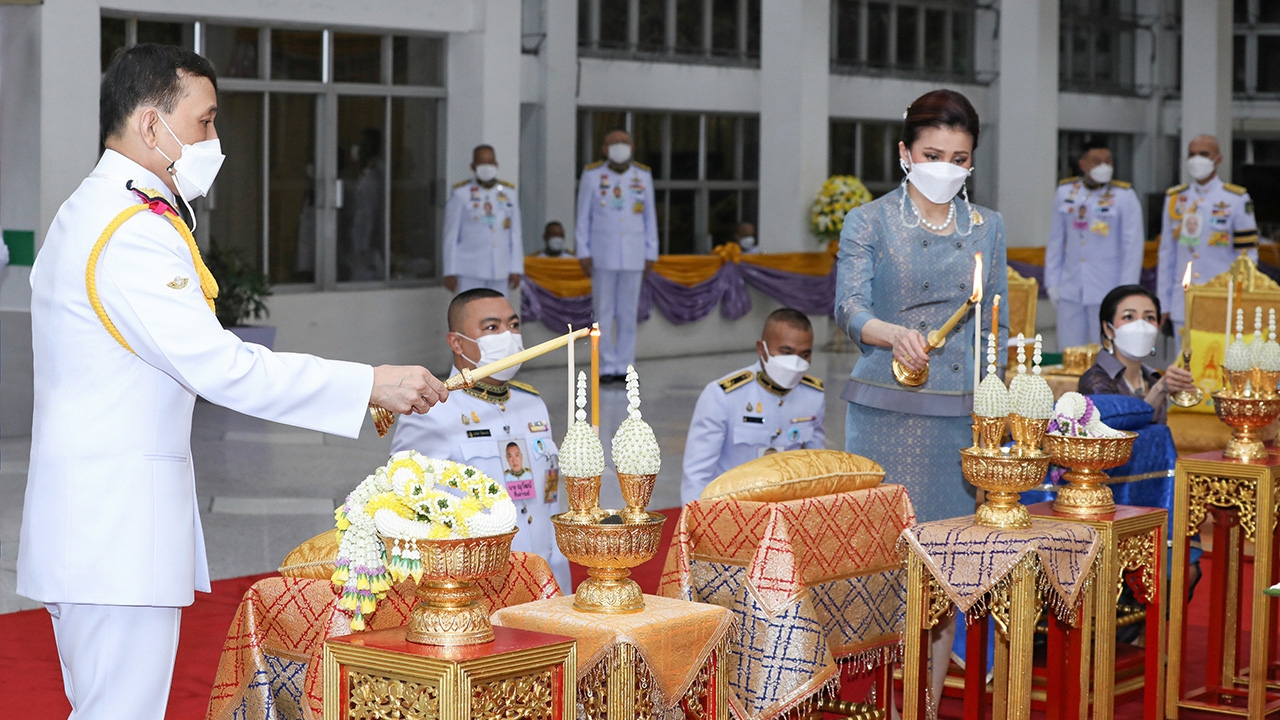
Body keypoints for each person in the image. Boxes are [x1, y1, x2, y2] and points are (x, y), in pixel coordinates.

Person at [16, 44, 448, 720]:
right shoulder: (130, 229)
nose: (215, 141)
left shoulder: (99, 207)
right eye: (205, 122)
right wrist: (371, 382)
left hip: (98, 524)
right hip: (114, 532)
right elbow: (222, 366)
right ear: (152, 125)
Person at [835, 88, 1008, 711]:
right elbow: (849, 307)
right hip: (883, 407)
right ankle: (878, 699)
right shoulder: (869, 220)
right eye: (933, 152)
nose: (947, 166)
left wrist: (1000, 405)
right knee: (884, 565)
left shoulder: (988, 226)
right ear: (905, 153)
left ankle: (926, 707)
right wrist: (890, 333)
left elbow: (998, 326)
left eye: (960, 157)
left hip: (956, 421)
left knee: (944, 572)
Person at [391, 288, 571, 591]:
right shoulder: (431, 412)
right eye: (492, 328)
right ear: (457, 343)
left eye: (513, 325)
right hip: (476, 586)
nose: (508, 336)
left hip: (545, 577)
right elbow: (412, 511)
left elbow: (548, 498)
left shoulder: (532, 403)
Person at [680, 308, 825, 504]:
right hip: (731, 508)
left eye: (804, 354)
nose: (796, 362)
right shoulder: (724, 395)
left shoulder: (813, 395)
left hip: (787, 509)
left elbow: (818, 467)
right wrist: (694, 525)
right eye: (786, 352)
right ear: (761, 348)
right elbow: (697, 474)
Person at [575, 129, 658, 383]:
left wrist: (650, 251)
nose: (619, 147)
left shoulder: (642, 176)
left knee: (627, 313)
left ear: (632, 148)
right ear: (604, 148)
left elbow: (649, 217)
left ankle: (625, 365)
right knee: (603, 312)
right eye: (613, 143)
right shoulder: (592, 175)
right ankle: (605, 366)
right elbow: (583, 217)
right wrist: (583, 251)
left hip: (633, 255)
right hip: (602, 255)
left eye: (623, 142)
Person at [1045, 139, 1145, 349]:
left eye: (1108, 161)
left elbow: (1133, 248)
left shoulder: (1124, 196)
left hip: (1108, 289)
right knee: (1069, 352)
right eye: (1097, 161)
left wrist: (1126, 291)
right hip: (1071, 287)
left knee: (1105, 352)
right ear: (1083, 165)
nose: (1103, 166)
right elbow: (1055, 241)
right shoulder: (1066, 193)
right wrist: (1052, 282)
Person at [1157, 134, 1259, 336]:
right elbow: (1166, 254)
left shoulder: (1236, 199)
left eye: (1204, 154)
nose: (1197, 160)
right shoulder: (1175, 198)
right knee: (1182, 362)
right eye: (1192, 154)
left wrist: (1241, 299)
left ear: (1218, 159)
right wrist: (1163, 302)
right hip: (1183, 298)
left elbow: (1247, 257)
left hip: (1220, 298)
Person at [1078, 285, 1197, 424]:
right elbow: (1117, 433)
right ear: (1108, 329)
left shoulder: (1152, 378)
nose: (1141, 326)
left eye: (1149, 318)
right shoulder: (1095, 381)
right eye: (1129, 317)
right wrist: (1159, 390)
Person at [442, 144, 523, 294]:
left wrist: (516, 268)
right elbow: (451, 235)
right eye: (481, 163)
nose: (486, 167)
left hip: (500, 269)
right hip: (470, 270)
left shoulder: (509, 193)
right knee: (471, 314)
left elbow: (515, 234)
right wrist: (449, 271)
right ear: (473, 166)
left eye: (490, 163)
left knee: (497, 315)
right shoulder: (461, 193)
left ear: (496, 165)